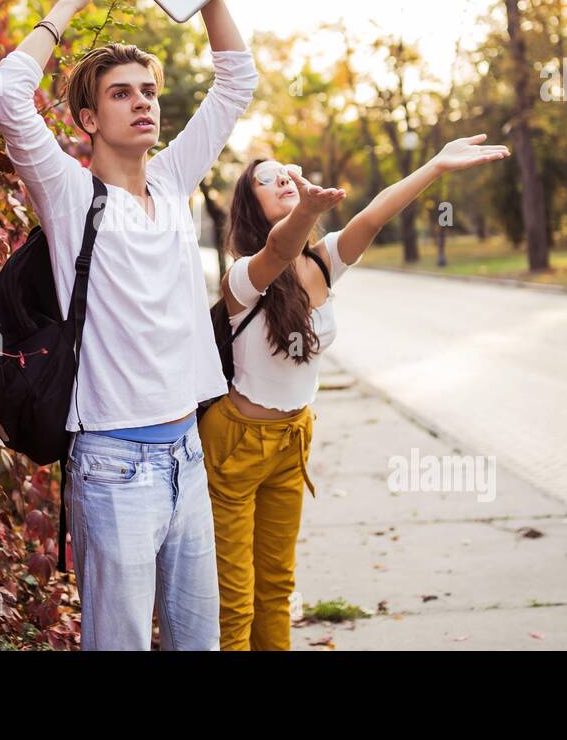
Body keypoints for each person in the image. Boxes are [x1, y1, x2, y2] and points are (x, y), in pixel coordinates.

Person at [0, 0, 257, 650]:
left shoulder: (170, 182)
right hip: (113, 468)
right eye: (120, 94)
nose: (143, 102)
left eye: (149, 90)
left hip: (187, 457)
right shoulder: (73, 198)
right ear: (85, 119)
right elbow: (8, 97)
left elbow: (236, 83)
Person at [202, 137, 511, 650]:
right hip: (235, 444)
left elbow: (374, 215)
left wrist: (435, 166)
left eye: (287, 169)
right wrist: (306, 209)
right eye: (266, 177)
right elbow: (279, 249)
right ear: (249, 205)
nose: (281, 177)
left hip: (291, 439)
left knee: (277, 586)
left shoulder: (324, 262)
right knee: (236, 597)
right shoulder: (243, 276)